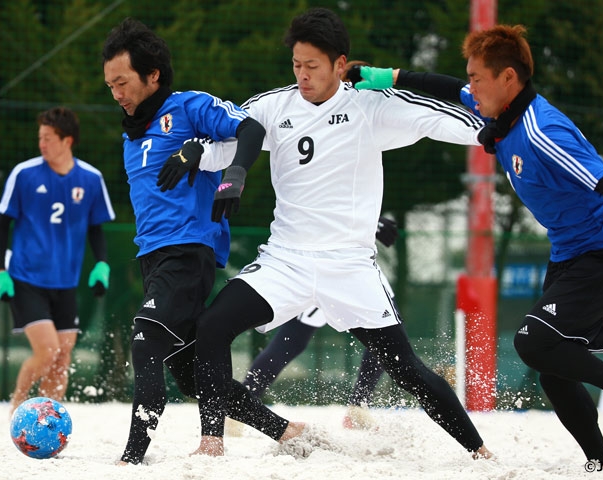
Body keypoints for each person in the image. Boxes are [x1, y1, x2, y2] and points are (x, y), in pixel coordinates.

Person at [182, 7, 491, 459]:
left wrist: (498, 130)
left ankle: (479, 452)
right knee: (211, 327)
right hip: (285, 260)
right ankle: (211, 443)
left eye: (312, 66)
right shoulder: (274, 105)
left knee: (405, 368)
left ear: (340, 65)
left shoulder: (371, 105)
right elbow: (224, 142)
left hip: (349, 266)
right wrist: (192, 153)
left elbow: (460, 122)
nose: (302, 75)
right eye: (296, 65)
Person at [354, 24, 603, 465]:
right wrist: (386, 77)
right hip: (567, 254)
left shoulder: (544, 131)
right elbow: (445, 89)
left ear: (508, 78)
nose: (471, 87)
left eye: (478, 78)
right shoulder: (503, 114)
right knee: (555, 370)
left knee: (531, 342)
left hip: (602, 255)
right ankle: (602, 465)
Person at [102, 17, 304, 465]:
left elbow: (251, 129)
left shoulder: (190, 106)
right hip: (152, 257)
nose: (115, 93)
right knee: (194, 376)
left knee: (145, 341)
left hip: (187, 252)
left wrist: (234, 175)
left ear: (152, 75)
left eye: (122, 82)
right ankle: (287, 431)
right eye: (109, 85)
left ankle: (133, 458)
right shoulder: (130, 132)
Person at [0, 106, 115, 413]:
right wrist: (0, 271)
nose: (42, 144)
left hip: (66, 282)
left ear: (67, 140)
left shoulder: (90, 178)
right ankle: (17, 411)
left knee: (62, 358)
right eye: (40, 137)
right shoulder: (25, 174)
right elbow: (3, 225)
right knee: (47, 351)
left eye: (48, 138)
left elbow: (96, 229)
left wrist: (101, 264)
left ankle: (46, 418)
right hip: (26, 277)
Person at [241, 215, 398, 430]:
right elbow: (325, 202)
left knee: (387, 334)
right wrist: (366, 222)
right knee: (291, 341)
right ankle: (241, 404)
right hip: (322, 262)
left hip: (353, 264)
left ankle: (359, 406)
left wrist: (369, 221)